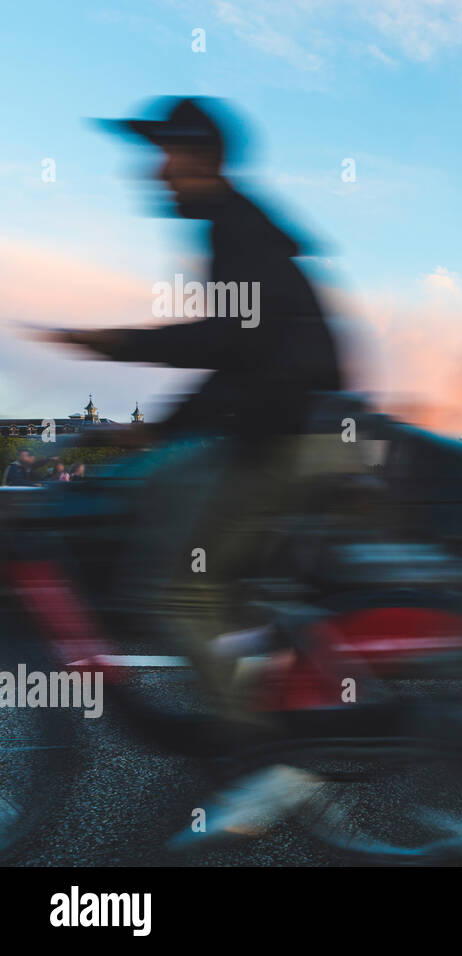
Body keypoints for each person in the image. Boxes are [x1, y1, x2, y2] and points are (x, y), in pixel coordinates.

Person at [33, 96, 344, 844]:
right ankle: (262, 707)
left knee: (180, 594)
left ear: (198, 157)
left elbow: (229, 342)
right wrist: (158, 435)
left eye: (164, 154)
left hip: (294, 435)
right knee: (216, 568)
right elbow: (243, 353)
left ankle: (271, 762)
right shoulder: (239, 227)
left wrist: (113, 343)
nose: (154, 171)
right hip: (302, 426)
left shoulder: (234, 228)